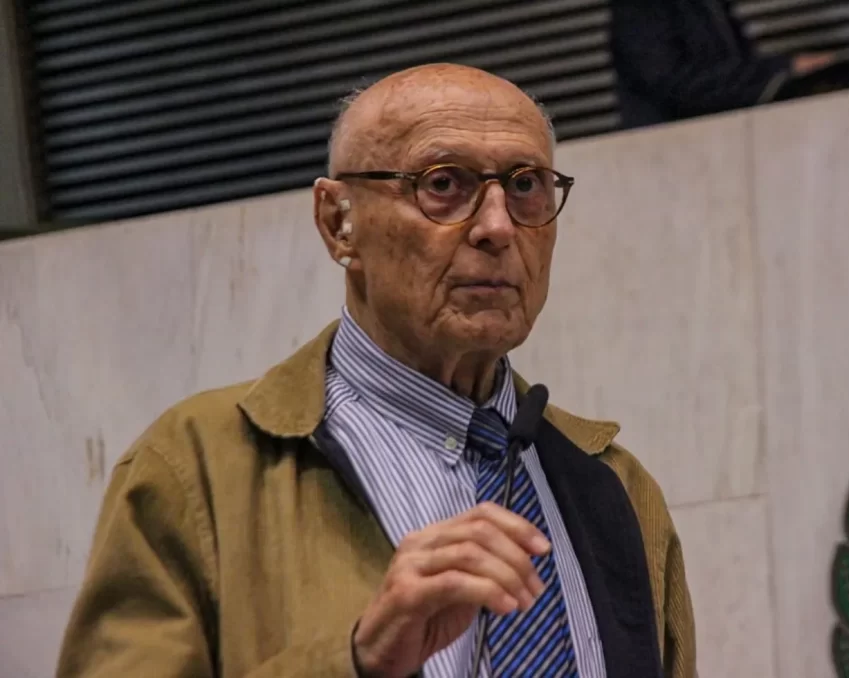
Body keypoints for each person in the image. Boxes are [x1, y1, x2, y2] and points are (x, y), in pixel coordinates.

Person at [56, 63, 697, 678]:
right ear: (339, 223)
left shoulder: (616, 486)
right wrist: (358, 662)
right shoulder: (195, 468)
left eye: (526, 184)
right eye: (443, 184)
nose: (499, 226)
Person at [610, 0, 835, 128]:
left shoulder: (710, 7)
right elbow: (674, 83)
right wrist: (780, 69)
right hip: (667, 154)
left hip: (717, 146)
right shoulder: (641, 6)